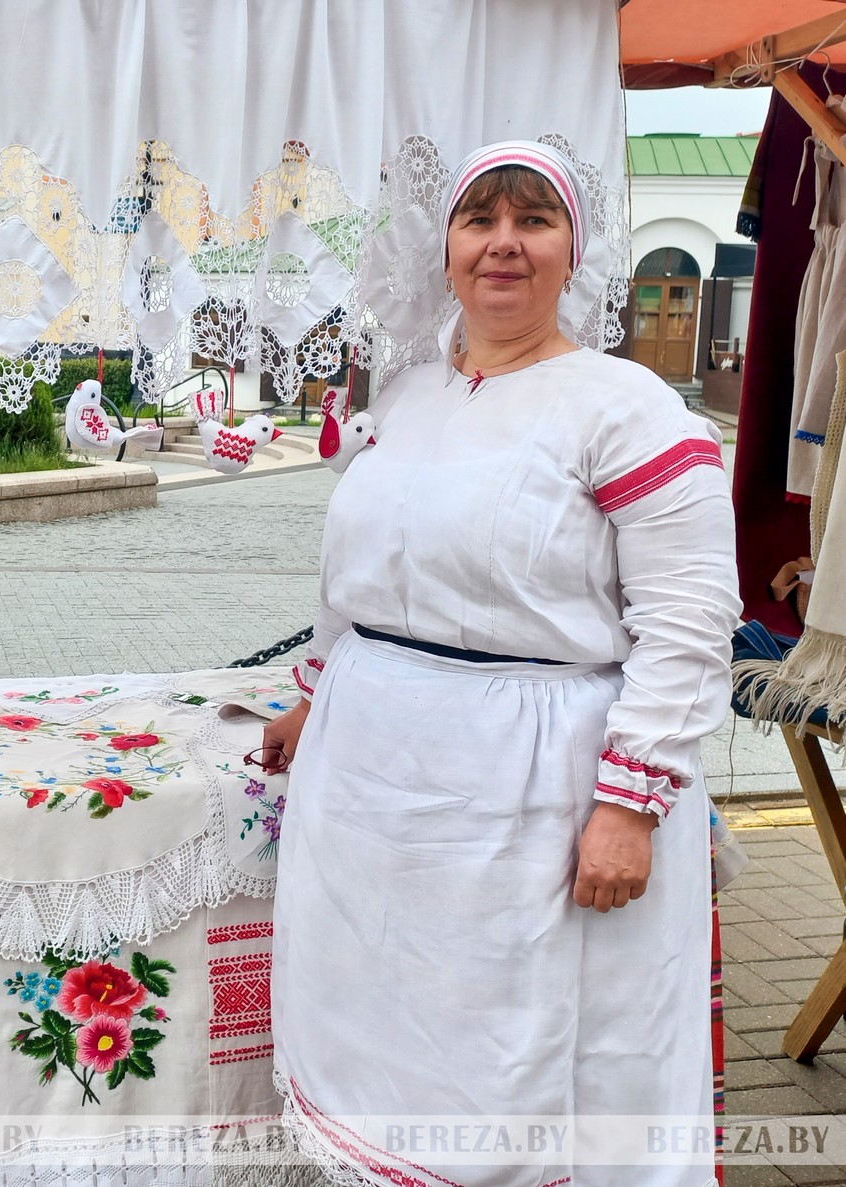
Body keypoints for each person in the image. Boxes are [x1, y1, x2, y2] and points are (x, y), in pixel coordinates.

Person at [259, 141, 739, 1187]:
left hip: (534, 794)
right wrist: (313, 693)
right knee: (391, 1034)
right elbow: (362, 574)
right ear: (445, 250)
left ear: (574, 251)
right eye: (479, 221)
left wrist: (631, 802)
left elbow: (692, 620)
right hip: (373, 785)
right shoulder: (410, 396)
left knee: (525, 1058)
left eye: (534, 221)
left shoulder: (626, 407)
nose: (503, 245)